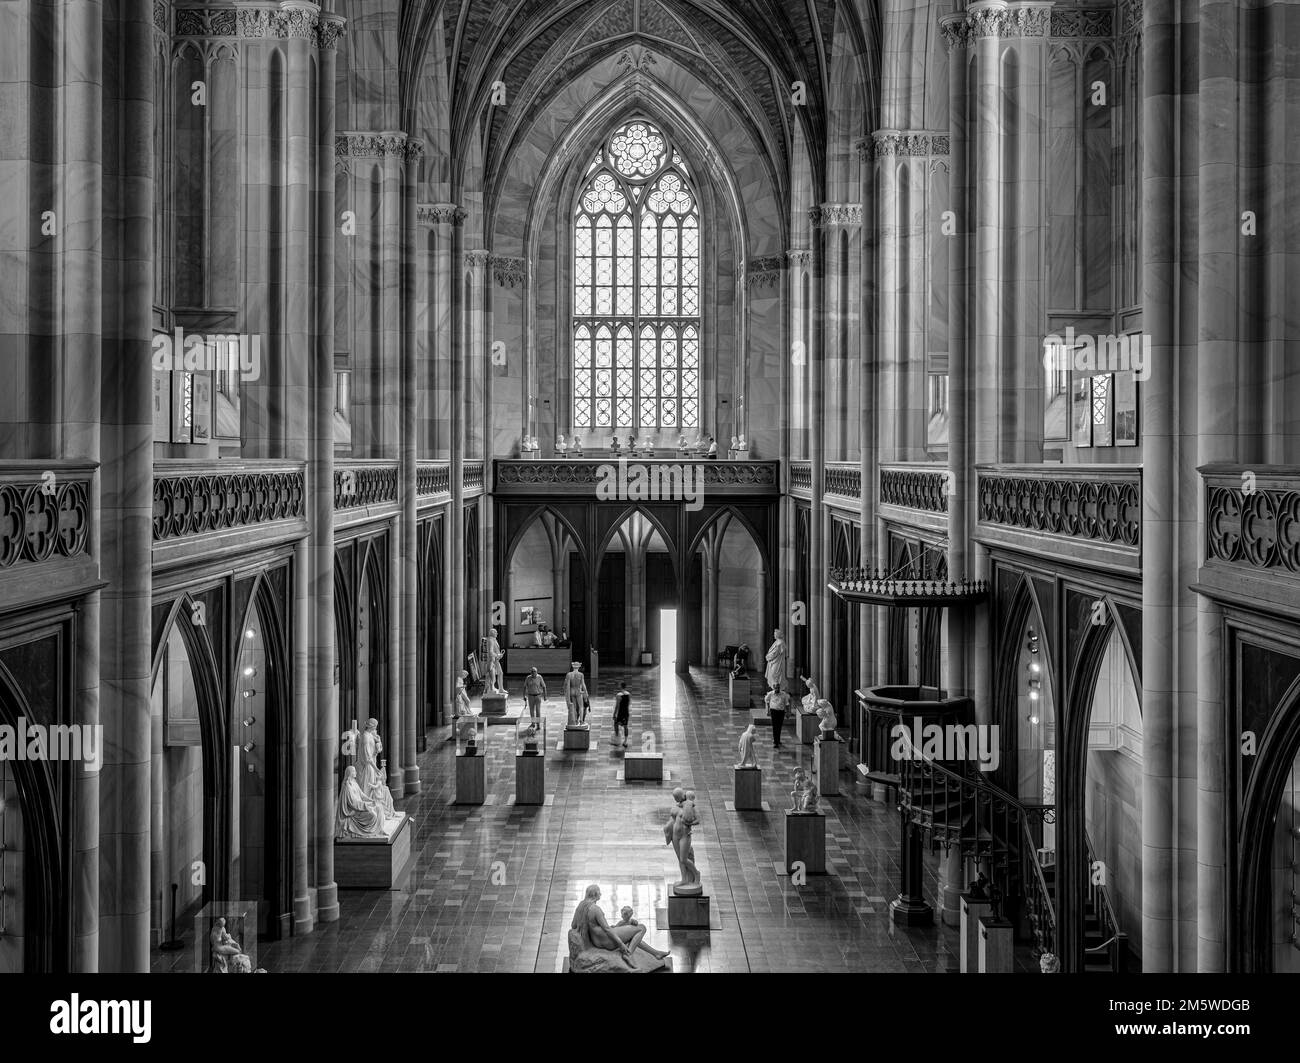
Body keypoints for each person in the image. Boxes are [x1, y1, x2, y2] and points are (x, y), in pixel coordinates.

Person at [563, 661, 589, 725]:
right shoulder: (580, 674)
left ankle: (575, 720)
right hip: (578, 691)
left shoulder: (569, 674)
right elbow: (583, 685)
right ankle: (581, 721)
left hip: (572, 691)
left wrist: (566, 694)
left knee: (574, 707)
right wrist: (586, 693)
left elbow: (566, 685)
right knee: (581, 707)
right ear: (579, 667)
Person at [765, 684, 789, 748]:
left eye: (778, 688)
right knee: (775, 726)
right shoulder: (770, 694)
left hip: (781, 711)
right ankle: (776, 742)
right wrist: (768, 710)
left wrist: (787, 712)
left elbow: (787, 703)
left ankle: (778, 739)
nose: (777, 689)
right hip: (773, 711)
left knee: (779, 726)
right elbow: (767, 700)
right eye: (776, 688)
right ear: (773, 687)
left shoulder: (784, 694)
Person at [612, 680, 631, 747]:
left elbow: (617, 706)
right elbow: (628, 704)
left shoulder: (619, 695)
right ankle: (625, 741)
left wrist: (614, 714)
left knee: (616, 724)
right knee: (625, 726)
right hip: (626, 712)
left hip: (620, 713)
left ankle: (617, 740)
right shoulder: (628, 694)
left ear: (621, 686)